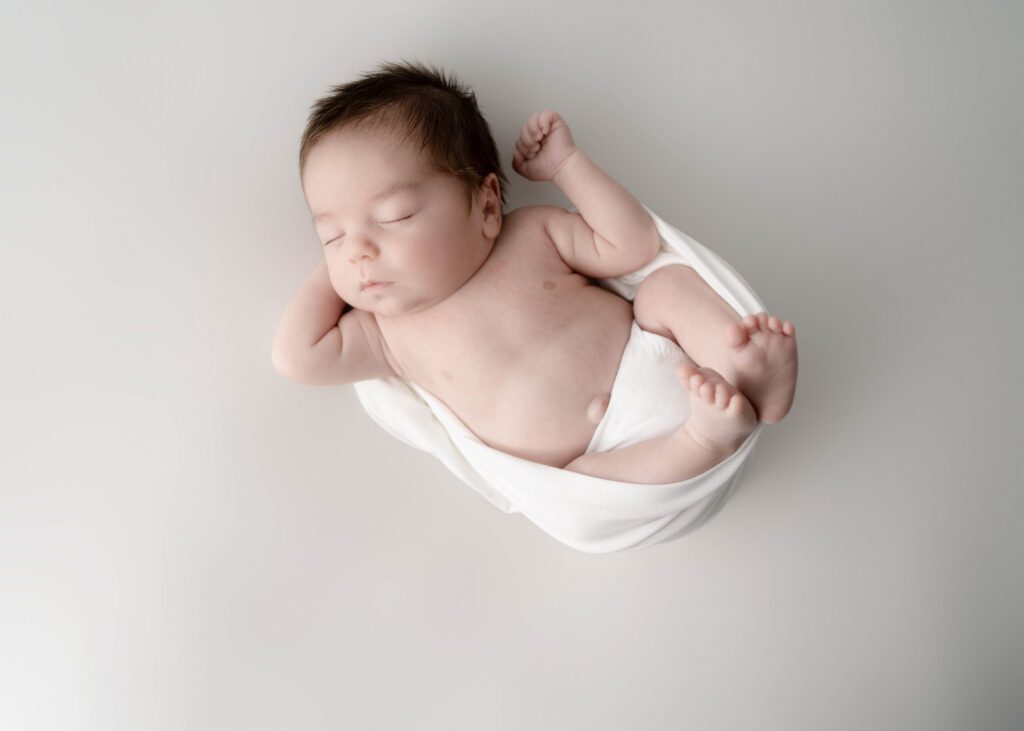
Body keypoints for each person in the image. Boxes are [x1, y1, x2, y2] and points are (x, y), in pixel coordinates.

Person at [271, 61, 797, 485]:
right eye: (330, 236)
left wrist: (567, 167)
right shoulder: (385, 335)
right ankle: (704, 441)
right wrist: (343, 255)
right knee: (583, 487)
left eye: (395, 216)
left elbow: (632, 244)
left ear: (486, 206)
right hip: (618, 461)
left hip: (663, 366)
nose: (358, 252)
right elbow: (297, 357)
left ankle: (746, 372)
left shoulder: (532, 234)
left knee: (665, 288)